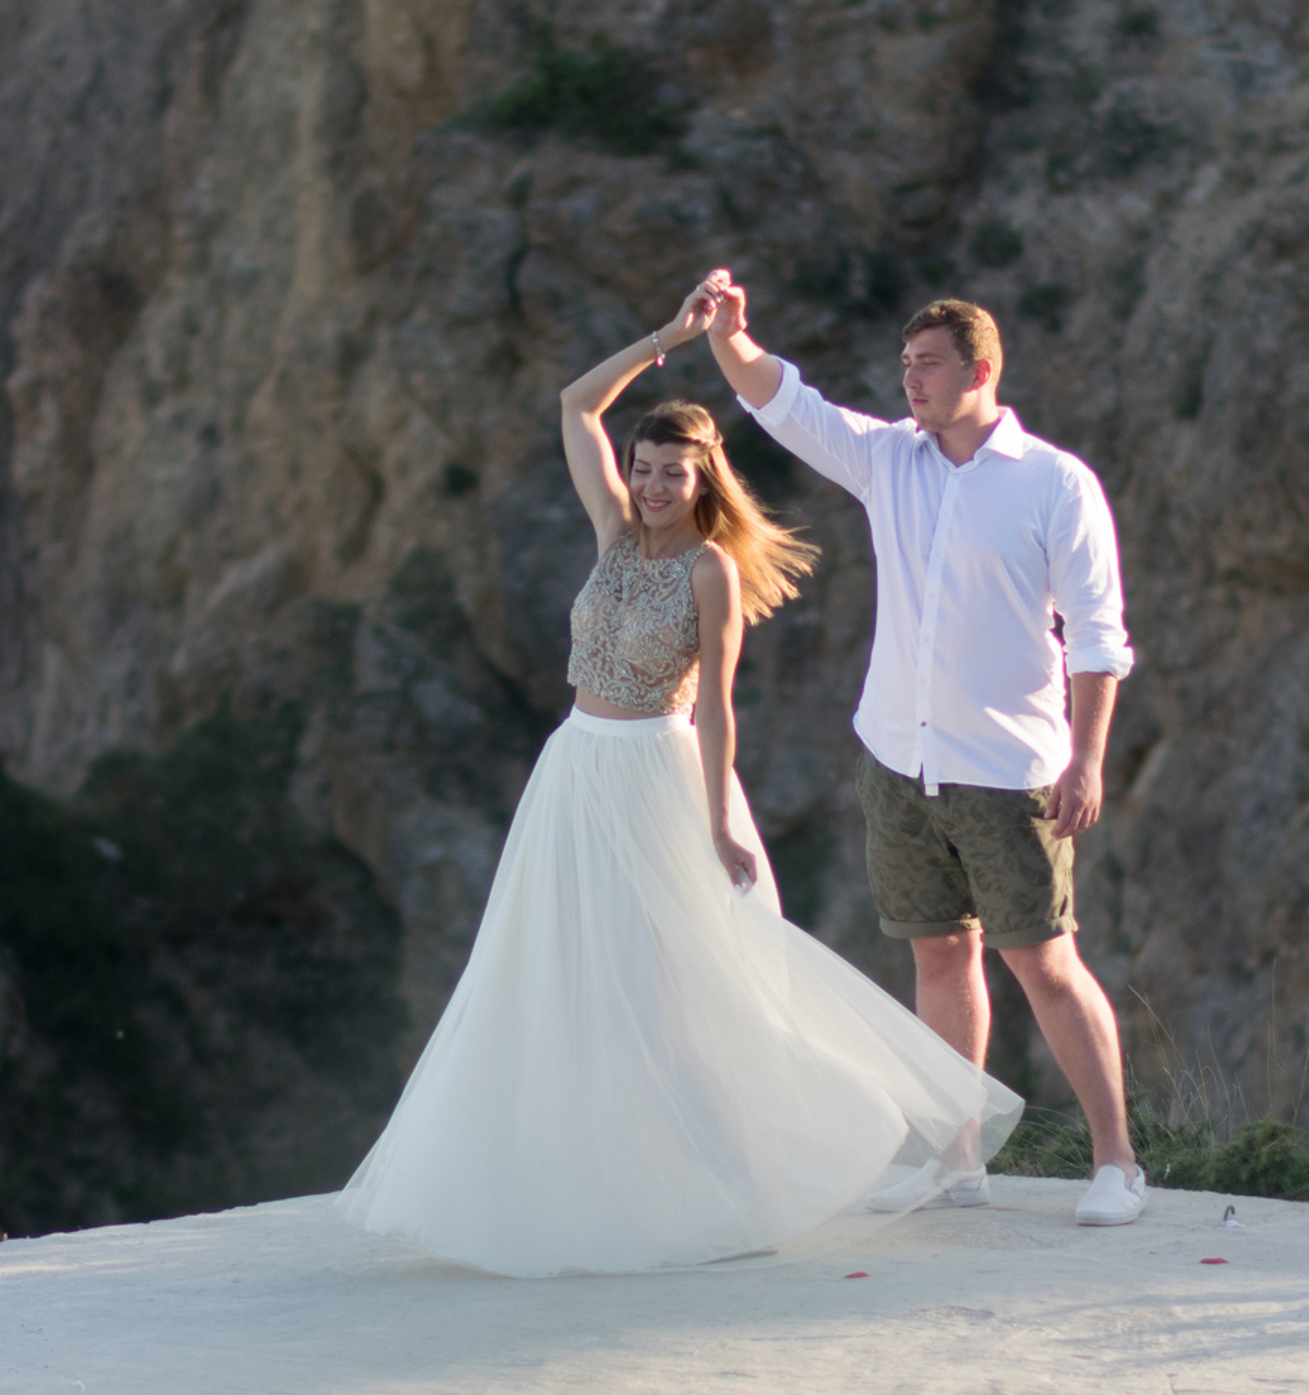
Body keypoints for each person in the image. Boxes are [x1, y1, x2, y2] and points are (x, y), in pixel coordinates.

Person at [334, 284, 1022, 1277]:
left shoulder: (710, 571)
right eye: (645, 468)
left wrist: (716, 824)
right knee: (555, 979)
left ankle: (744, 1185)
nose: (653, 484)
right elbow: (576, 405)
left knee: (682, 993)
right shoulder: (611, 533)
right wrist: (670, 339)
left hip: (659, 778)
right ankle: (571, 1188)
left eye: (672, 472)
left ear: (703, 481)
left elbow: (720, 712)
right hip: (573, 773)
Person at [701, 272, 1146, 1225]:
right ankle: (957, 1162)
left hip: (1010, 772)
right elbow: (787, 405)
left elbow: (1101, 637)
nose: (910, 380)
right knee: (941, 959)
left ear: (980, 370)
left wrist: (1089, 759)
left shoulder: (1054, 482)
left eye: (929, 365)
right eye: (904, 364)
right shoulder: (886, 460)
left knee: (1044, 963)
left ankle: (1118, 1163)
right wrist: (732, 337)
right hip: (898, 763)